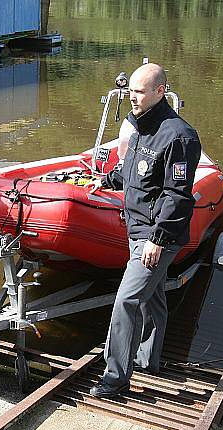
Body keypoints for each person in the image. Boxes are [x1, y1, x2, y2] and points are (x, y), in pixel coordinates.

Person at [88, 63, 201, 398]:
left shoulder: (179, 136)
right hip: (137, 229)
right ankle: (148, 360)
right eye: (129, 92)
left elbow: (177, 194)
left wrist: (158, 238)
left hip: (156, 235)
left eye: (138, 92)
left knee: (127, 300)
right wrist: (105, 180)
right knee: (153, 298)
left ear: (159, 91)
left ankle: (116, 378)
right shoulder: (140, 127)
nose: (131, 98)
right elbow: (133, 172)